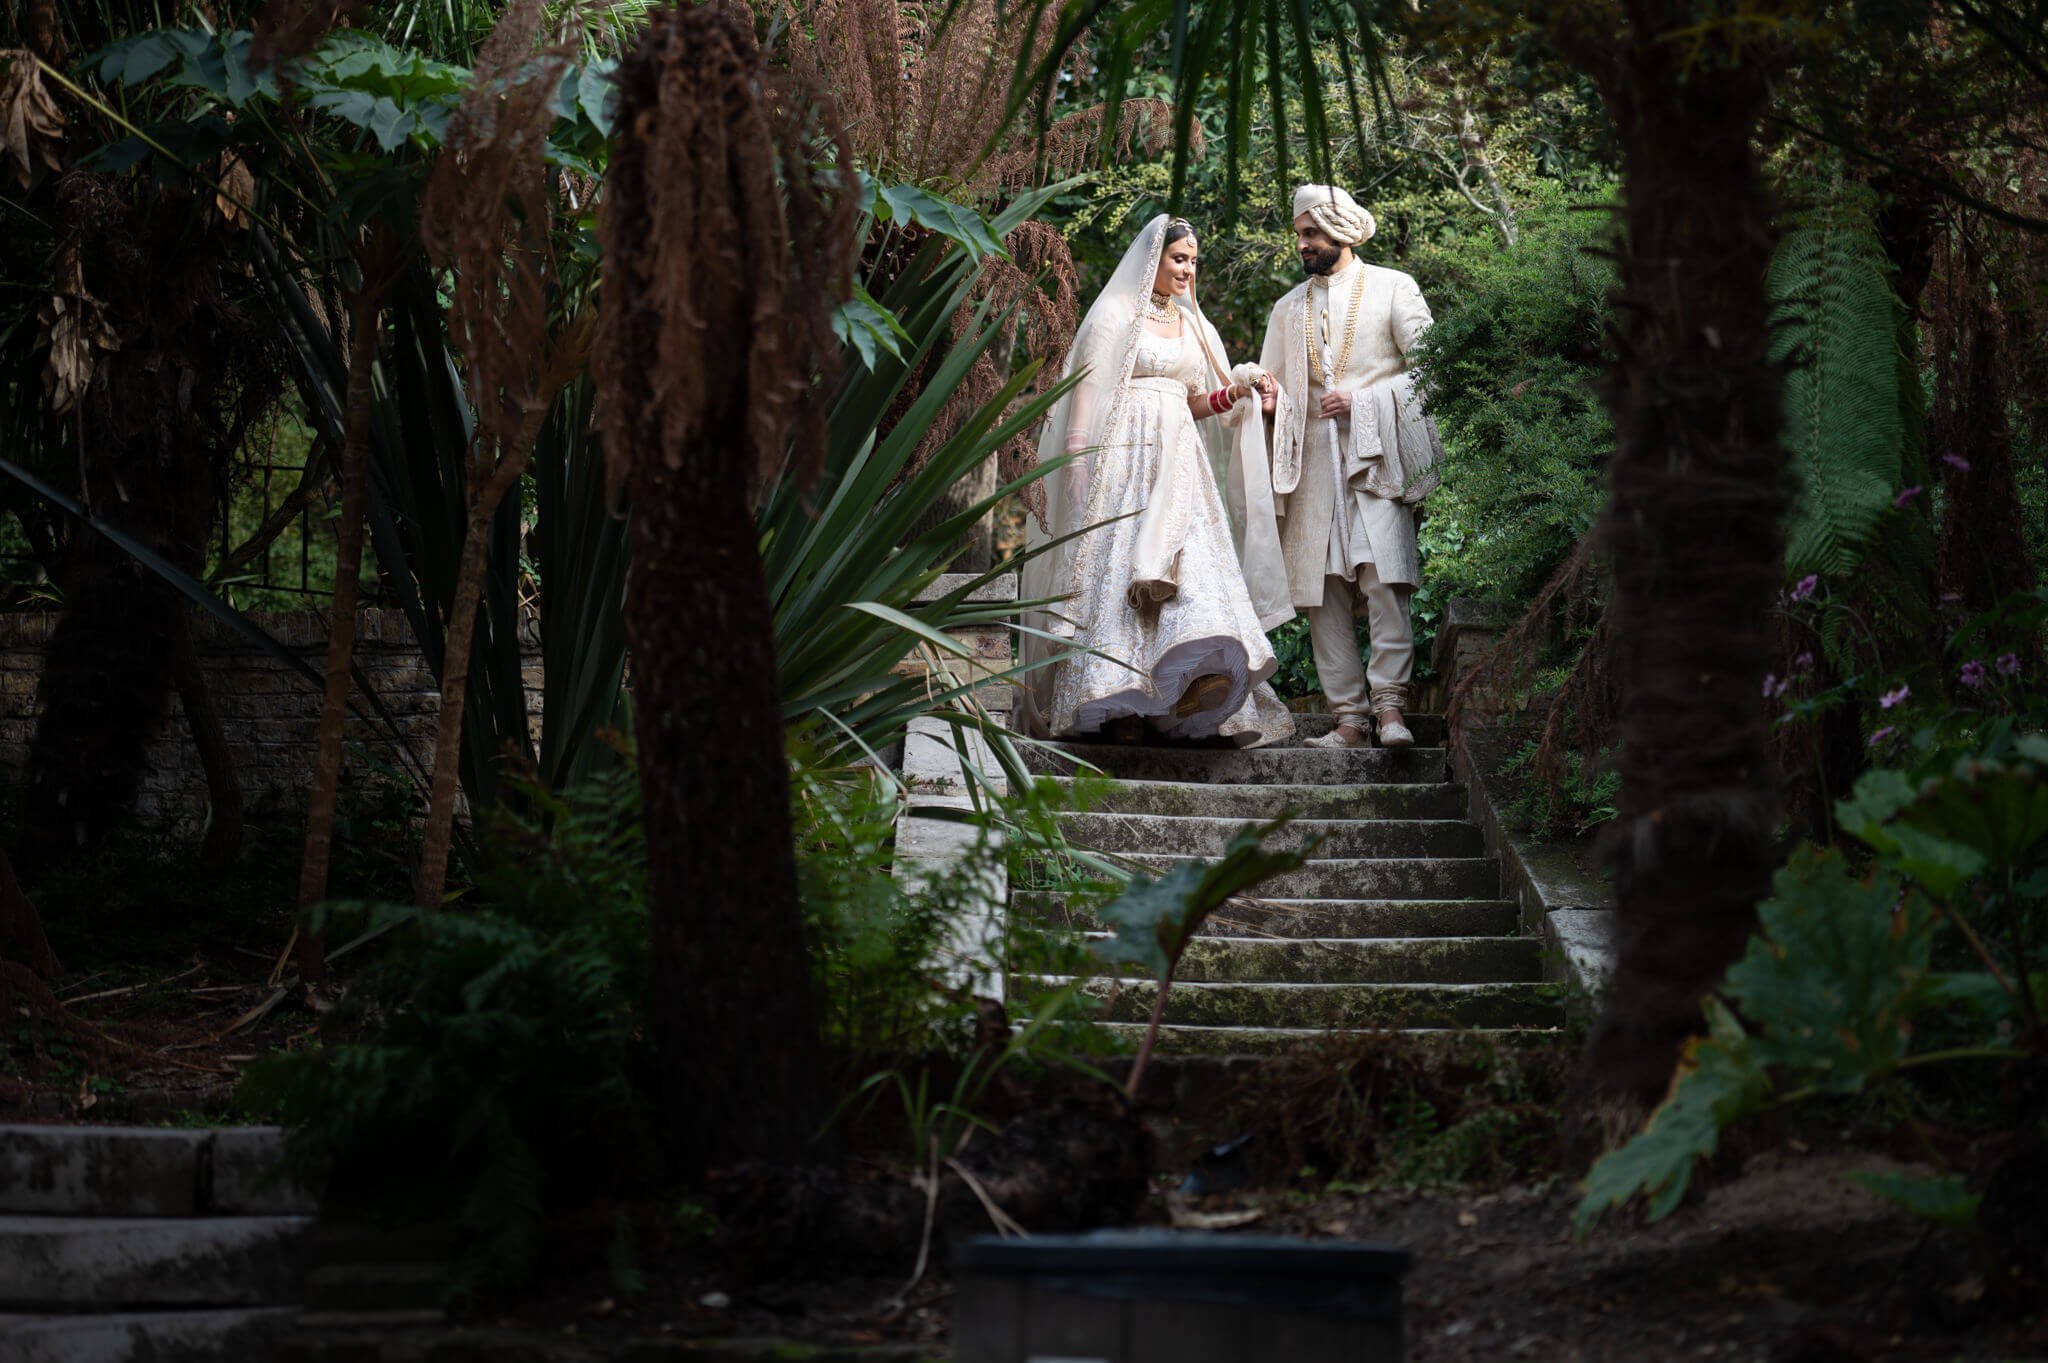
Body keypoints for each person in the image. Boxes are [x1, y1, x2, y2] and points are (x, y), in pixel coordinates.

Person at [1018, 214, 1295, 747]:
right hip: (1123, 458)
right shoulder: (1116, 314)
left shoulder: (1194, 325)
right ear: (1154, 258)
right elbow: (1087, 390)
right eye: (1179, 258)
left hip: (1180, 462)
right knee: (1120, 568)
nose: (1188, 269)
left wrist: (1232, 395)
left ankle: (1182, 690)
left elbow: (1193, 400)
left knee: (1190, 568)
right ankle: (1119, 704)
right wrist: (1076, 457)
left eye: (1193, 260)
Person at [1246, 184, 1443, 750]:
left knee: (1386, 583)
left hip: (1374, 458)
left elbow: (1433, 367)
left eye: (1311, 233)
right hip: (1310, 469)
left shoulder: (1392, 288)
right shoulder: (1287, 309)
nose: (1303, 244)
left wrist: (1365, 402)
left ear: (1342, 230)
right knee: (1322, 592)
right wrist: (1270, 403)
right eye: (1299, 234)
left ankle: (1390, 712)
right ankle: (1350, 720)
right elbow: (1278, 388)